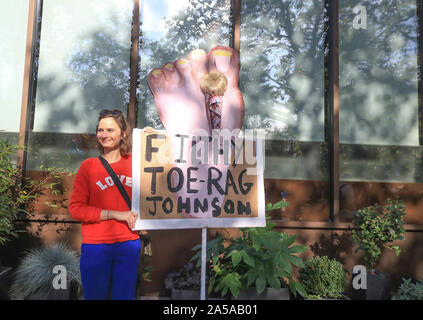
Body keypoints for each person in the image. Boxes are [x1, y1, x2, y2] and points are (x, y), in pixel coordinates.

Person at [69, 109, 140, 300]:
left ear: (123, 133)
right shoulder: (89, 166)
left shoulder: (138, 164)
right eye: (100, 130)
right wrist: (116, 214)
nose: (104, 135)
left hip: (128, 242)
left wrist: (151, 138)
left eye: (110, 130)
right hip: (96, 246)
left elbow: (158, 187)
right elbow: (76, 209)